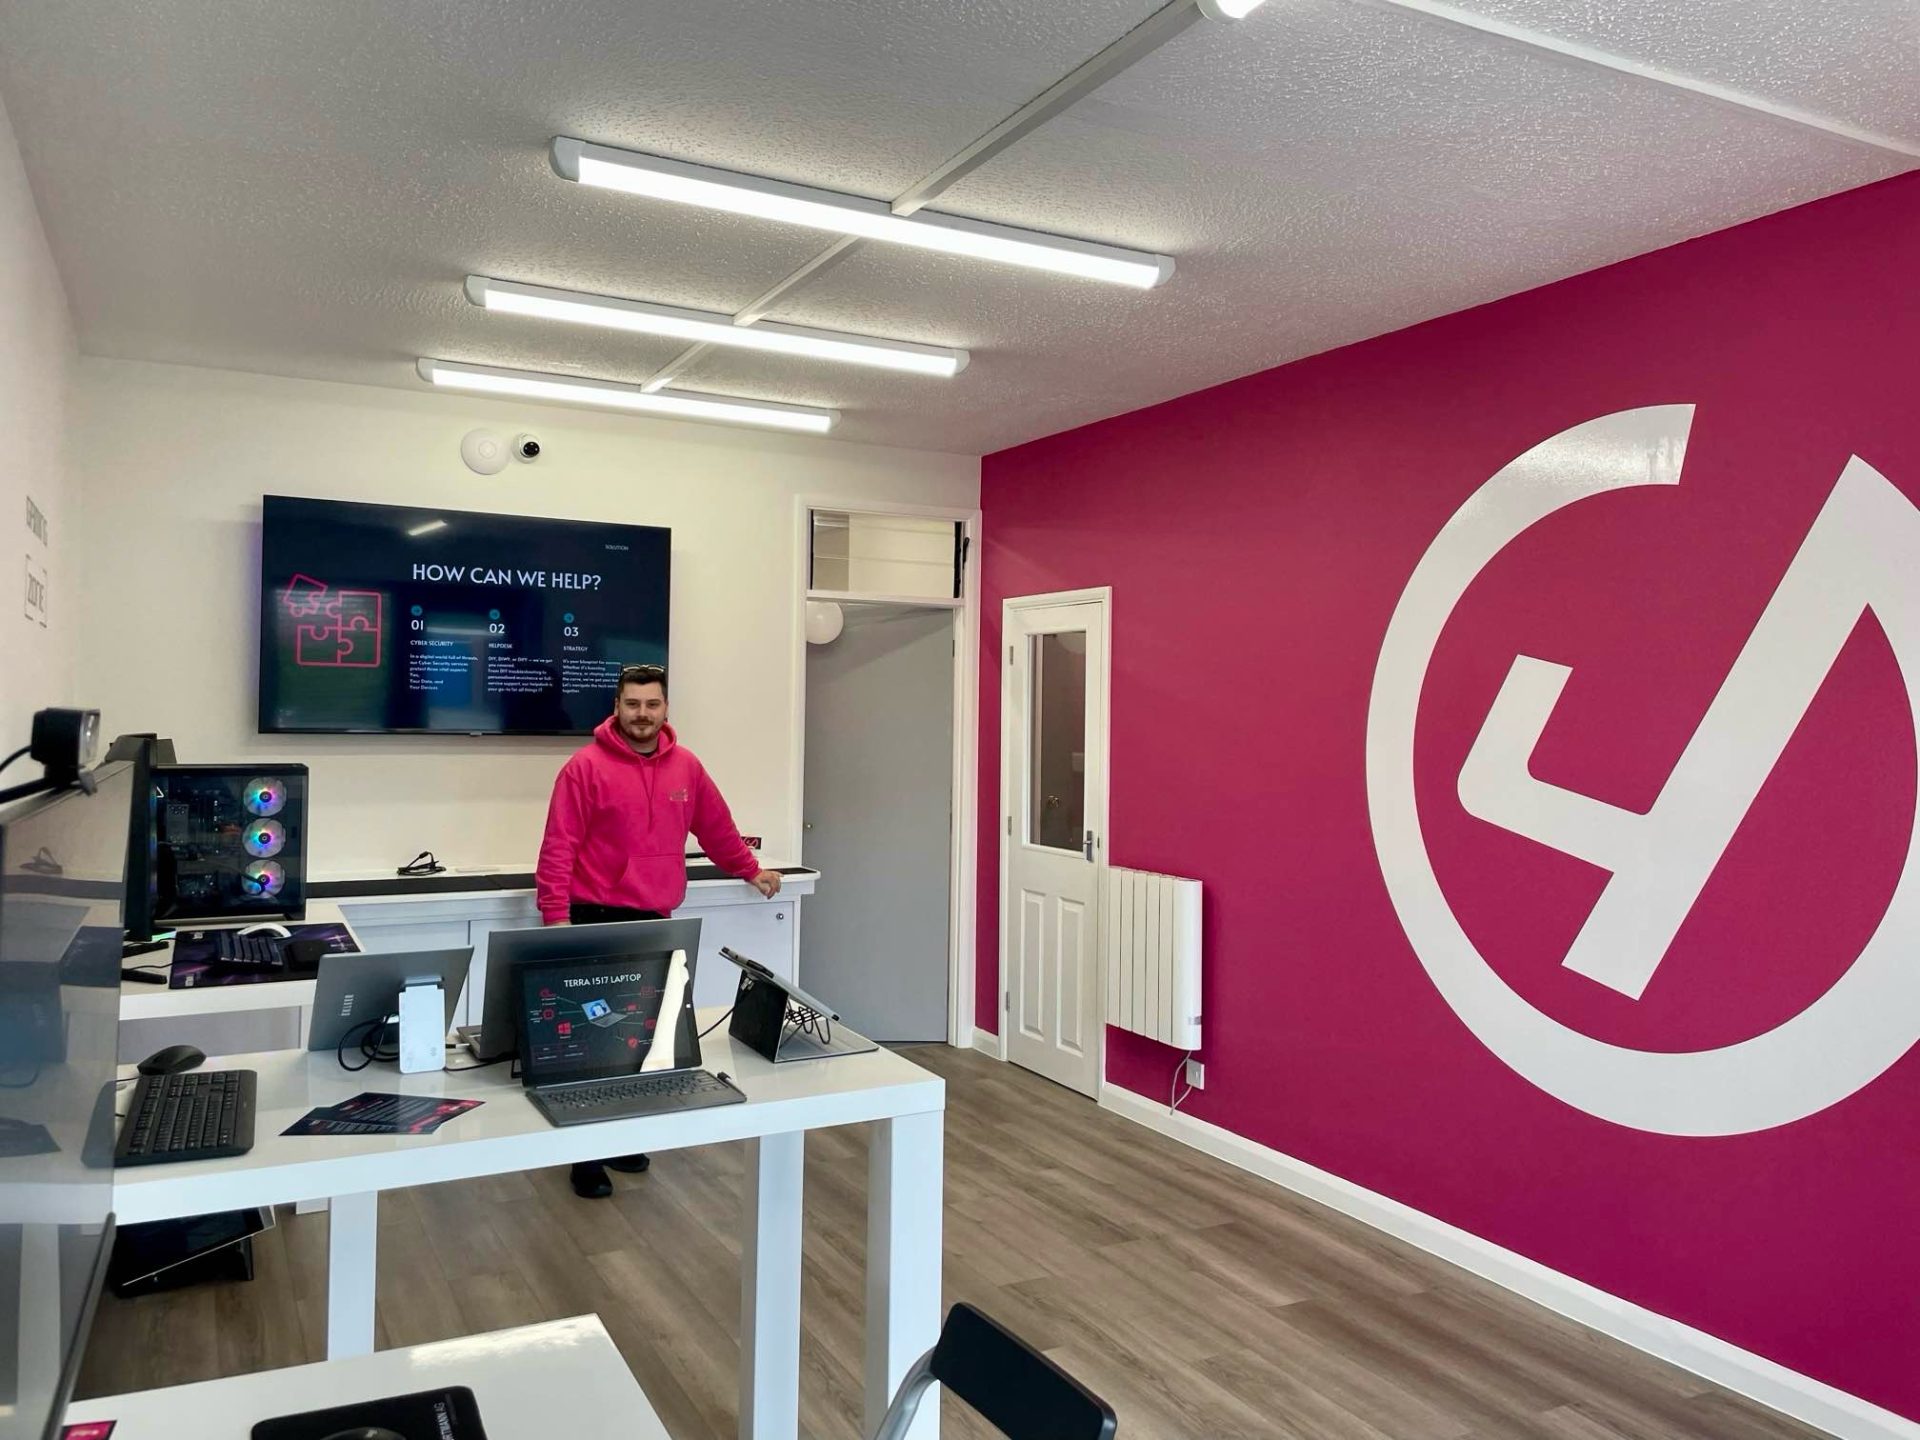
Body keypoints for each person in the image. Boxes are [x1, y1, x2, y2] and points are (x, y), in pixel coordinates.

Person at [535, 663, 782, 1197]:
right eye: (632, 705)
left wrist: (750, 870)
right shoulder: (584, 768)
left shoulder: (686, 768)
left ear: (666, 709)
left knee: (640, 1041)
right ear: (617, 707)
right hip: (593, 918)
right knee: (591, 1044)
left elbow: (717, 827)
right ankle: (584, 1158)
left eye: (652, 705)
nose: (642, 715)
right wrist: (557, 921)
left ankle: (623, 1138)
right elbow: (558, 849)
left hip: (654, 921)